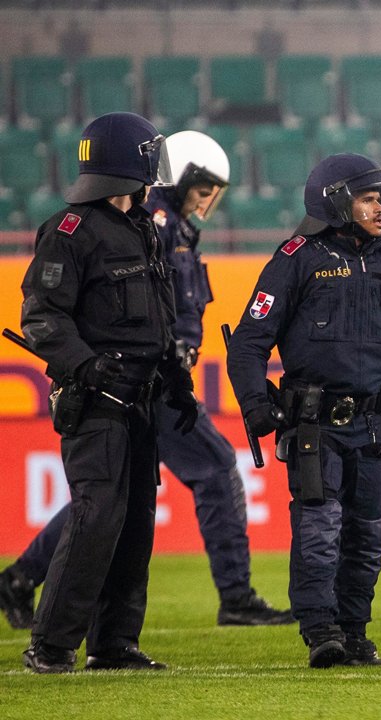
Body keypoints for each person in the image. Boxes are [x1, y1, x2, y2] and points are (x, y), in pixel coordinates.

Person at [0, 131, 291, 632]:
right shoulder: (149, 226)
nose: (207, 202)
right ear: (178, 178)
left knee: (108, 500)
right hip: (137, 378)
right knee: (217, 470)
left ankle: (22, 579)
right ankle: (236, 595)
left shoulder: (164, 227)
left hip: (159, 382)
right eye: (203, 188)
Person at [227, 153, 381, 667]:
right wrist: (257, 405)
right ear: (336, 202)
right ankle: (321, 630)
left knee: (368, 532)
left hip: (373, 425)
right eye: (370, 200)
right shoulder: (294, 258)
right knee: (320, 530)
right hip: (313, 424)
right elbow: (248, 343)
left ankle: (354, 630)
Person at [17, 112, 194, 673]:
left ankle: (114, 642)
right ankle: (50, 644)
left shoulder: (142, 225)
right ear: (126, 162)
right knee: (97, 514)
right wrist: (85, 367)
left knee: (136, 517)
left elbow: (160, 318)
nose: (156, 165)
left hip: (142, 398)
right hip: (96, 402)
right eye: (148, 153)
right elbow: (41, 318)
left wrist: (179, 382)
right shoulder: (68, 231)